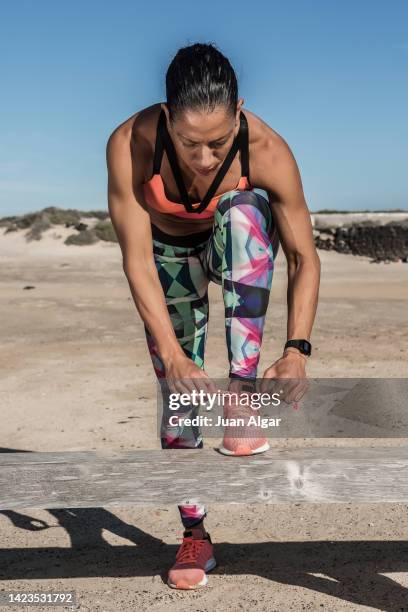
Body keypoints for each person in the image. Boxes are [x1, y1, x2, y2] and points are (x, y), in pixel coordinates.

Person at [106, 42, 320, 590]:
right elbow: (135, 260)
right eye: (188, 141)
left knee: (247, 211)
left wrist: (296, 350)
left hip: (233, 247)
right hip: (167, 259)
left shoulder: (267, 148)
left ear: (241, 111)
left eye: (218, 143)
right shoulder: (132, 143)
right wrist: (174, 357)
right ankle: (194, 534)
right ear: (167, 115)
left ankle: (242, 400)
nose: (203, 159)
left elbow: (302, 256)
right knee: (178, 392)